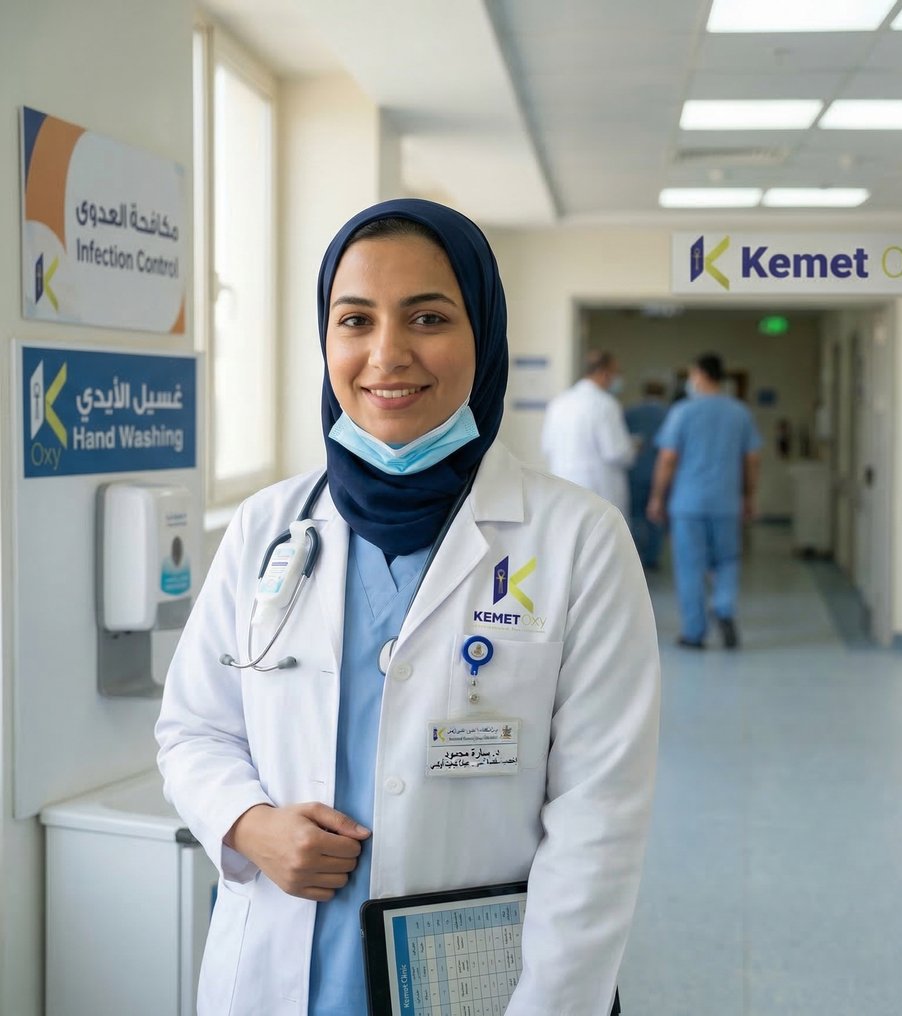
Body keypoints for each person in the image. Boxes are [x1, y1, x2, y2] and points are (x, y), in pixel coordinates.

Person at [155, 199, 660, 1016]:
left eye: (428, 316)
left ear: (483, 334)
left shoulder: (579, 541)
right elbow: (192, 728)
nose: (386, 354)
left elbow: (599, 819)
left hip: (485, 987)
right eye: (354, 319)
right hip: (279, 972)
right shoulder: (268, 526)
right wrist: (249, 824)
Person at [647, 353, 762, 650]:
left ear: (698, 374)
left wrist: (658, 496)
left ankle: (694, 632)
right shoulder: (740, 413)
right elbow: (752, 460)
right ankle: (723, 608)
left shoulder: (682, 412)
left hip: (689, 503)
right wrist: (749, 495)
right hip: (726, 501)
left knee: (690, 566)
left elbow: (668, 458)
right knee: (727, 560)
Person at [541, 349, 635, 512]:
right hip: (598, 492)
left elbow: (547, 446)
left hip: (562, 489)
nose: (617, 378)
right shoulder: (605, 404)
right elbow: (615, 452)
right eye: (616, 372)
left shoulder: (559, 402)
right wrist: (633, 449)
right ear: (604, 373)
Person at [624, 380, 670, 570]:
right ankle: (652, 557)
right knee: (656, 516)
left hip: (634, 474)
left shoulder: (629, 414)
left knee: (635, 516)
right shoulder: (670, 414)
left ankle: (635, 556)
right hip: (660, 474)